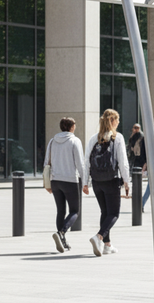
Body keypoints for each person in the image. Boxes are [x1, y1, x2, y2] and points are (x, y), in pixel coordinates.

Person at [83, 109, 130, 256]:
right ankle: (99, 236)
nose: (119, 123)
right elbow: (123, 162)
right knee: (114, 213)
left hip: (97, 181)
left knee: (105, 212)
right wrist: (127, 182)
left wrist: (85, 183)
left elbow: (86, 162)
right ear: (112, 121)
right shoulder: (118, 138)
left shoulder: (93, 138)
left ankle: (107, 245)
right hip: (111, 180)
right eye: (117, 120)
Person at [44, 117, 85, 253]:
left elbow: (46, 163)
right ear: (71, 127)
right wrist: (85, 182)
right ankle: (61, 232)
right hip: (70, 181)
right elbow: (80, 164)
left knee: (60, 211)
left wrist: (47, 182)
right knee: (74, 211)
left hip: (55, 181)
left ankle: (62, 240)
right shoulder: (75, 141)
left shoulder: (52, 141)